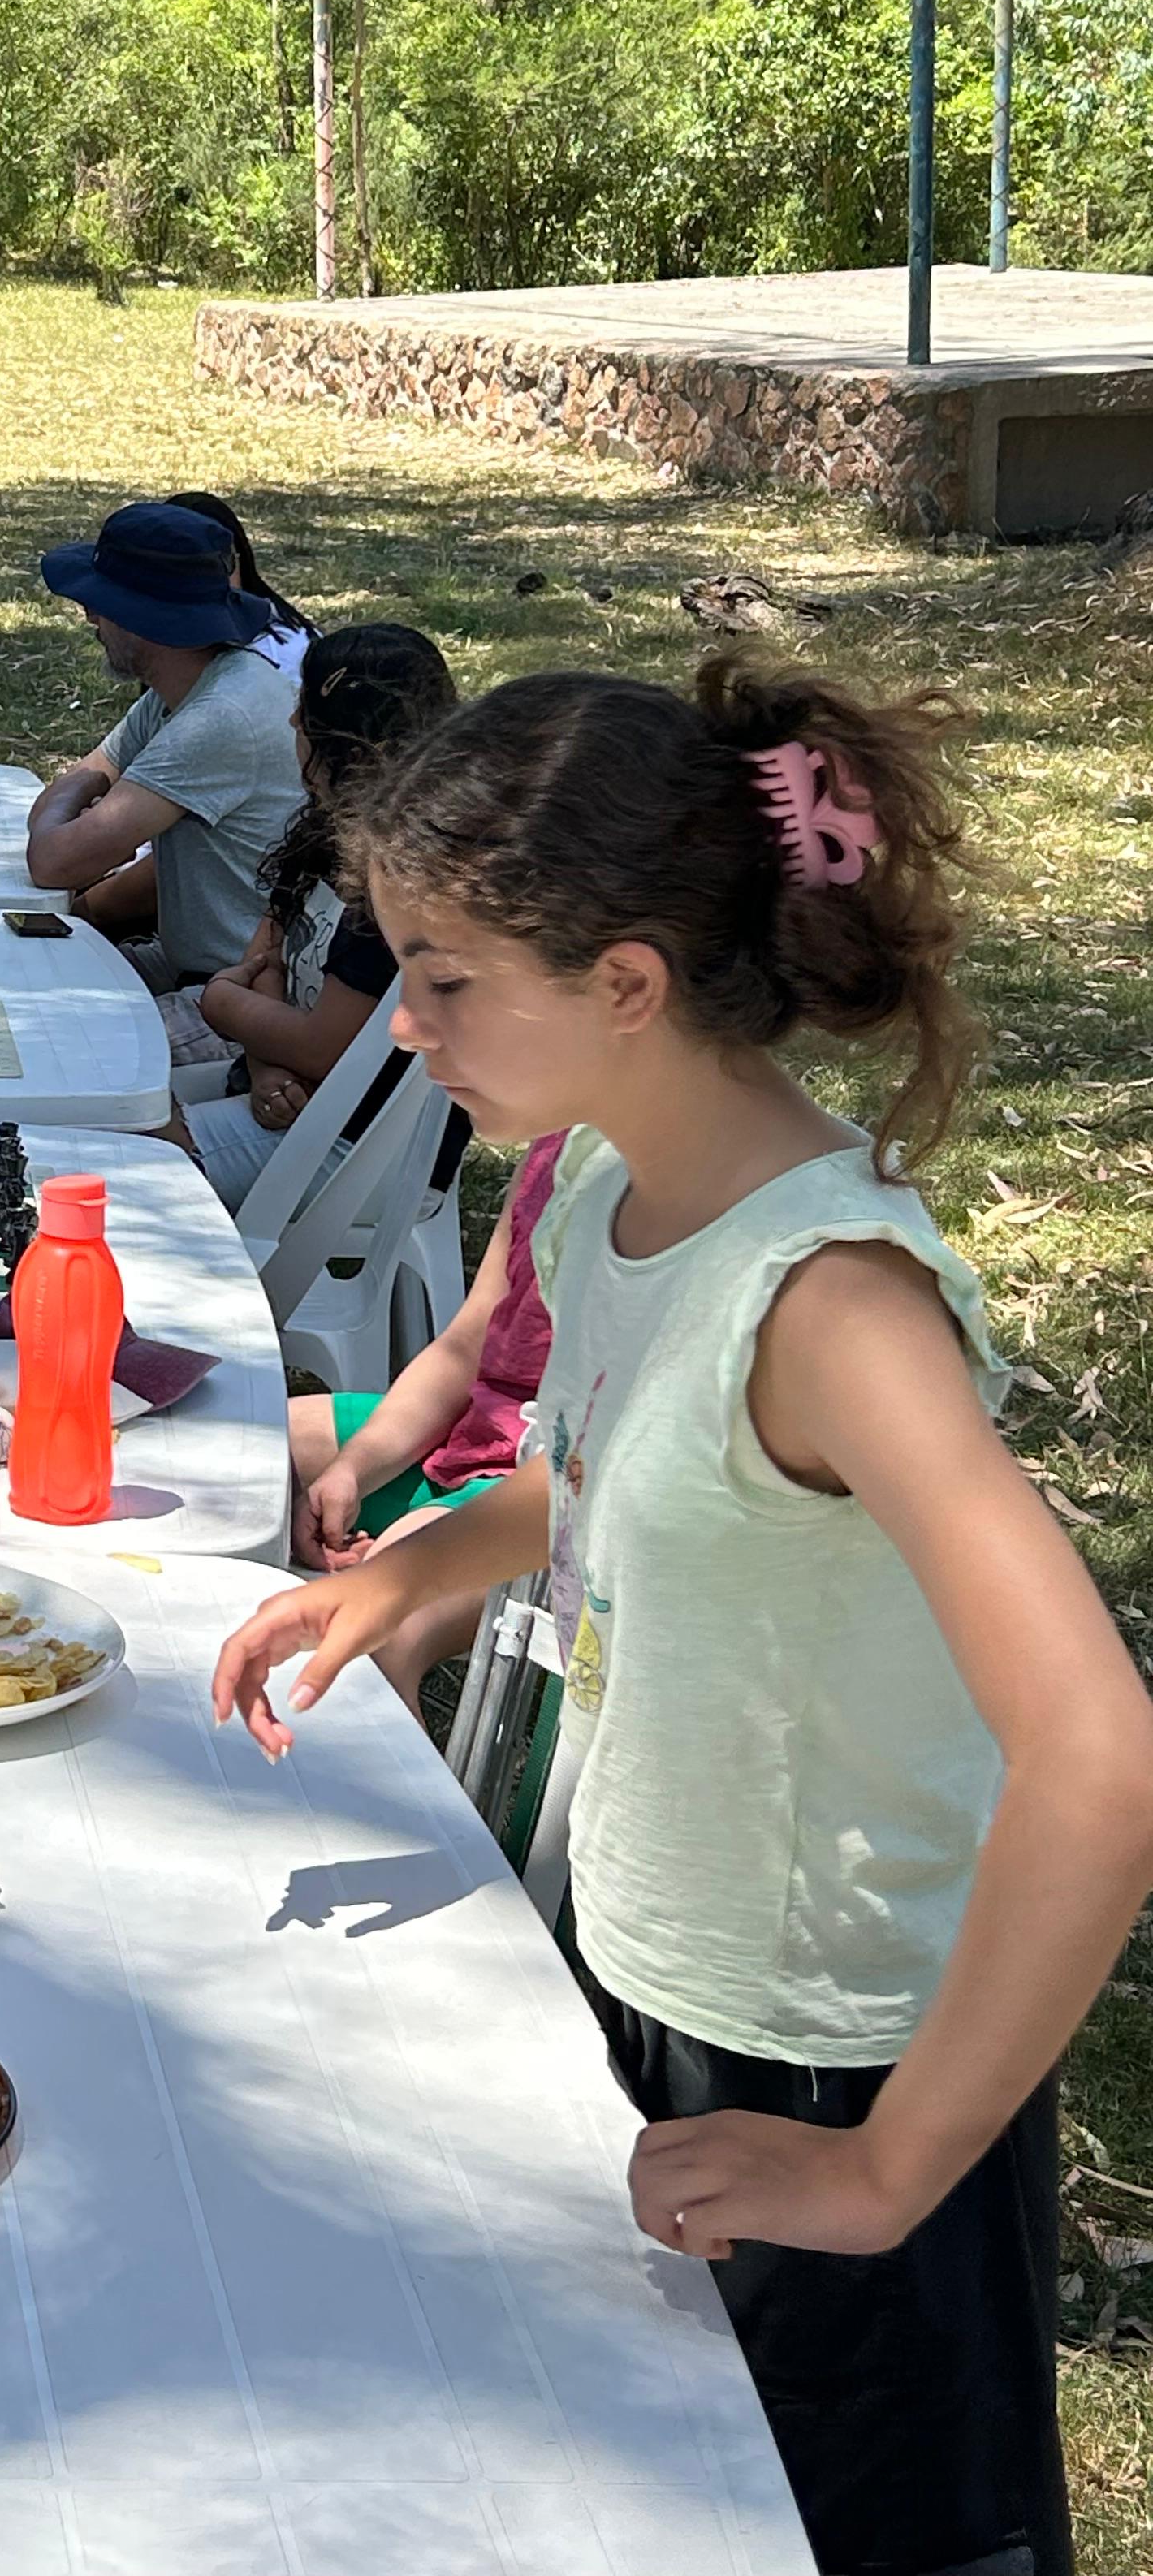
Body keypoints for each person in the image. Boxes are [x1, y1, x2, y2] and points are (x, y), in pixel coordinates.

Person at [213, 657, 1153, 2576]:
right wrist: (412, 1568)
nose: (405, 1024)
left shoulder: (833, 1303)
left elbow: (1100, 1750)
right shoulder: (601, 1193)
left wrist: (885, 2169)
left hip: (834, 2055)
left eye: (445, 979)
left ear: (627, 983)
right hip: (654, 1971)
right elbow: (622, 1480)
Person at [175, 624, 456, 1205]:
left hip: (358, 1148)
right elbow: (266, 961)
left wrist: (221, 1004)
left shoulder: (394, 885)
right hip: (294, 1097)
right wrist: (264, 1067)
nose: (291, 721)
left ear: (344, 744)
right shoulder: (326, 837)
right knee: (110, 1108)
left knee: (126, 1155)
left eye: (304, 709)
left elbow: (322, 1047)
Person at [285, 1130, 567, 1702]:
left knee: (374, 1640)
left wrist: (406, 1555)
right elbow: (465, 1346)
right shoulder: (557, 1144)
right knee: (244, 1448)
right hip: (473, 1434)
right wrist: (351, 1469)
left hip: (542, 1485)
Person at [29, 502, 305, 989]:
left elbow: (55, 861)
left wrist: (75, 810)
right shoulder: (181, 689)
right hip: (190, 965)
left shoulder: (220, 717)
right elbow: (70, 791)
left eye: (103, 602)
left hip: (239, 993)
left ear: (148, 619)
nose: (90, 615)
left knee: (47, 1027)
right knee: (24, 981)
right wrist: (73, 805)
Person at [165, 492, 313, 677]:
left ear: (240, 560)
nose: (210, 583)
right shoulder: (164, 640)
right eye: (187, 570)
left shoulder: (278, 652)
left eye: (223, 563)